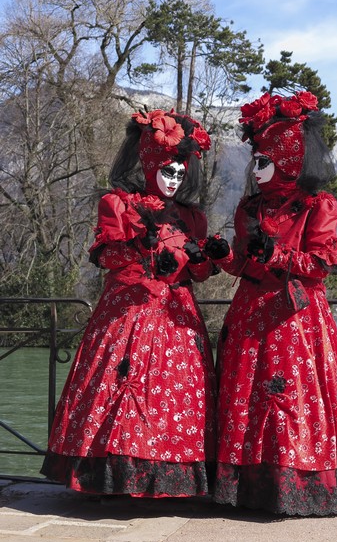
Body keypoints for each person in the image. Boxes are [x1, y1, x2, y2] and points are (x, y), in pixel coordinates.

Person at [205, 91, 337, 516]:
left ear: (290, 160)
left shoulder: (318, 206)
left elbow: (319, 265)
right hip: (249, 314)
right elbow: (243, 265)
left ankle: (297, 486)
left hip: (294, 319)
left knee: (291, 396)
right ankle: (247, 489)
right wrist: (225, 256)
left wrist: (276, 255)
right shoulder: (249, 208)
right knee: (245, 396)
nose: (256, 170)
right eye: (255, 162)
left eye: (265, 161)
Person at [41, 108, 217, 498]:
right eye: (166, 172)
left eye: (179, 173)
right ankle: (114, 479)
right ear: (149, 165)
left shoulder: (192, 217)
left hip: (177, 317)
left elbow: (199, 273)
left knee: (173, 395)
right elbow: (106, 256)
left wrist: (205, 257)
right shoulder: (118, 204)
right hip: (127, 313)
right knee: (122, 387)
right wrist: (144, 249)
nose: (173, 180)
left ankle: (169, 480)